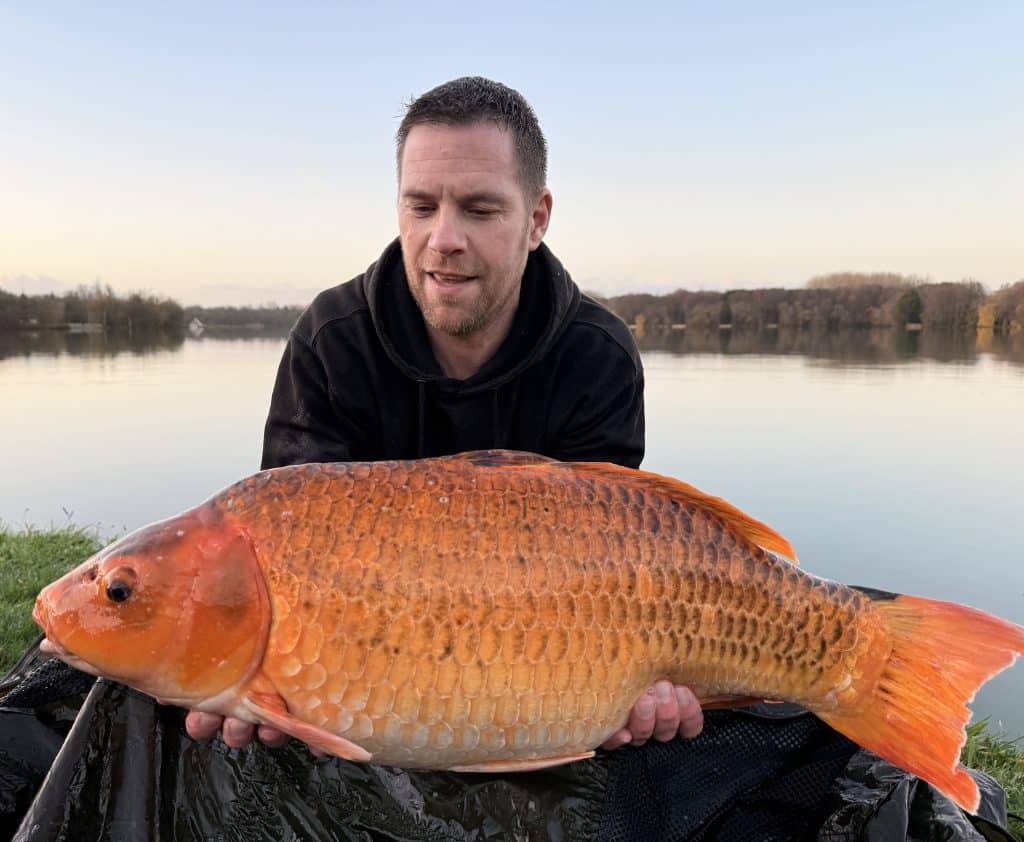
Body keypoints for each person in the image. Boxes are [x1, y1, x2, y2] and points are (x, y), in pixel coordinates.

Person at [185, 76, 705, 757]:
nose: (443, 238)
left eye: (480, 209)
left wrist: (643, 685)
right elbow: (293, 563)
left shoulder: (596, 355)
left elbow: (610, 573)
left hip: (544, 661)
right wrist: (261, 680)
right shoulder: (332, 340)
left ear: (537, 218)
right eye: (421, 206)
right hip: (365, 673)